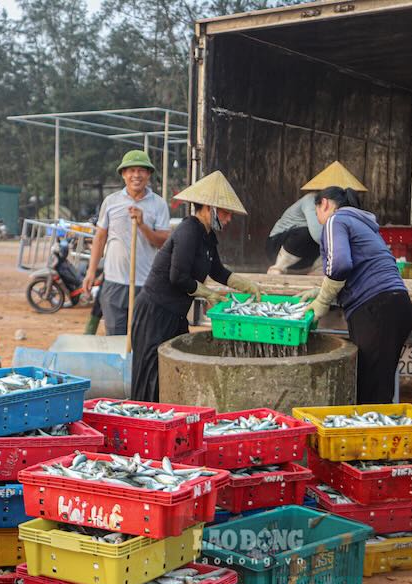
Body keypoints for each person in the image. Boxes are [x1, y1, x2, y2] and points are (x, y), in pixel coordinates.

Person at [130, 171, 262, 402]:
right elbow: (178, 277)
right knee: (151, 373)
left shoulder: (207, 234)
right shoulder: (189, 230)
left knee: (175, 367)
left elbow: (217, 270)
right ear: (209, 208)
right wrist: (209, 293)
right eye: (226, 213)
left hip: (176, 313)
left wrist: (247, 285)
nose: (229, 219)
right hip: (155, 311)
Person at [297, 187, 412, 404]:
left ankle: (372, 436)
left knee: (370, 393)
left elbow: (340, 265)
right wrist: (321, 291)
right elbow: (358, 266)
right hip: (396, 304)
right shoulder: (363, 224)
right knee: (378, 386)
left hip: (375, 308)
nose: (318, 219)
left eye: (316, 212)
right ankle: (376, 434)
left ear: (324, 204)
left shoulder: (335, 220)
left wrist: (323, 300)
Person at [83, 150, 170, 335]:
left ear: (148, 174)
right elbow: (100, 237)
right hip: (114, 282)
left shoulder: (158, 204)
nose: (136, 175)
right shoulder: (111, 201)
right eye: (131, 171)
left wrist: (142, 225)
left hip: (145, 283)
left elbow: (163, 240)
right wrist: (91, 271)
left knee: (143, 337)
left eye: (141, 170)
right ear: (123, 174)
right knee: (115, 336)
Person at [267, 162, 367, 275]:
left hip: (305, 255)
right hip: (277, 245)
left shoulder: (341, 210)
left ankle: (316, 272)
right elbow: (318, 235)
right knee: (317, 235)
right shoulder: (311, 200)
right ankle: (278, 267)